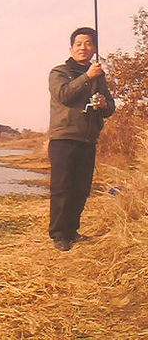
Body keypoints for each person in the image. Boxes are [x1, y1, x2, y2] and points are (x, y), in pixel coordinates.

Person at [48, 27, 116, 251]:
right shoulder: (59, 72)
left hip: (88, 139)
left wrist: (104, 104)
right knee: (62, 187)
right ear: (71, 47)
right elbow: (64, 95)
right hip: (64, 137)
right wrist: (87, 77)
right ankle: (59, 235)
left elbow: (110, 108)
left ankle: (72, 231)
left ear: (94, 48)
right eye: (79, 44)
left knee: (81, 188)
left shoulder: (99, 75)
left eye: (88, 43)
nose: (83, 48)